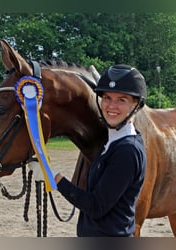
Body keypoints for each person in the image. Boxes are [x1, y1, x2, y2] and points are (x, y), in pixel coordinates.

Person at [54, 64, 147, 237]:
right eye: (107, 97)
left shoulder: (127, 151)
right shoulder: (111, 142)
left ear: (136, 105)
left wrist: (56, 179)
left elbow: (96, 206)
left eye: (122, 100)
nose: (111, 106)